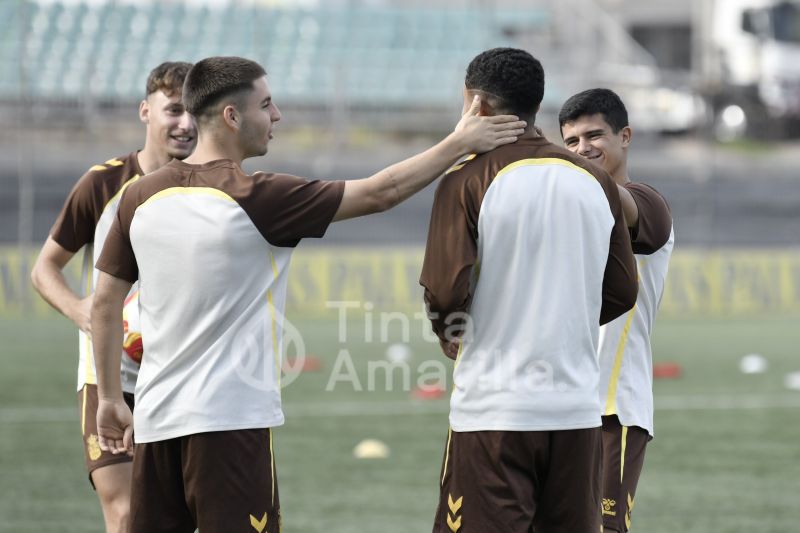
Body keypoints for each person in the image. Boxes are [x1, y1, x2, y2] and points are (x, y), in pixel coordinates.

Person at [89, 56, 525, 533]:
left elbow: (105, 301)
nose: (276, 116)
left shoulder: (139, 195)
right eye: (267, 104)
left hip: (153, 421)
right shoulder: (258, 197)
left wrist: (111, 397)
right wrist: (458, 142)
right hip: (228, 425)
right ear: (232, 117)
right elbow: (382, 192)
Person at [420, 48, 638, 533]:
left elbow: (442, 290)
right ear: (536, 103)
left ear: (473, 104)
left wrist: (448, 332)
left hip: (495, 414)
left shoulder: (465, 178)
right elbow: (623, 291)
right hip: (577, 415)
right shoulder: (596, 182)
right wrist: (563, 320)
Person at [29, 61, 195, 533]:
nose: (185, 124)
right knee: (124, 513)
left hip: (181, 371)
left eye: (194, 113)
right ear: (146, 111)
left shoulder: (211, 184)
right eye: (174, 110)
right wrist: (82, 310)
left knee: (175, 515)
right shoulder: (102, 183)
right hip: (109, 374)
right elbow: (45, 269)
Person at [559, 88, 674, 533]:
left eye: (594, 136)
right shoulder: (565, 214)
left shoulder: (645, 203)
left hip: (614, 407)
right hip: (559, 402)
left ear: (624, 136)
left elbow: (618, 206)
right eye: (570, 142)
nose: (583, 149)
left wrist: (559, 162)